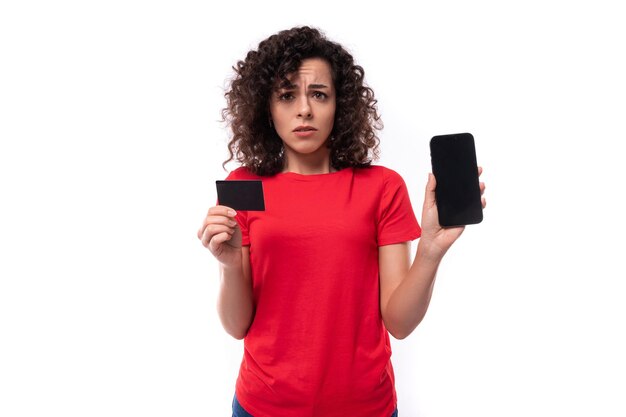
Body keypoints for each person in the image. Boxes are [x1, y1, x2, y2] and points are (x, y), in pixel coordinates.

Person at [197, 26, 486, 417]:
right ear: (267, 108)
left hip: (365, 408)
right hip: (264, 406)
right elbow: (236, 325)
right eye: (287, 95)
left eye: (319, 94)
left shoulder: (381, 187)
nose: (304, 109)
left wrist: (430, 251)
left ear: (341, 104)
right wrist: (229, 264)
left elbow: (398, 323)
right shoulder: (244, 186)